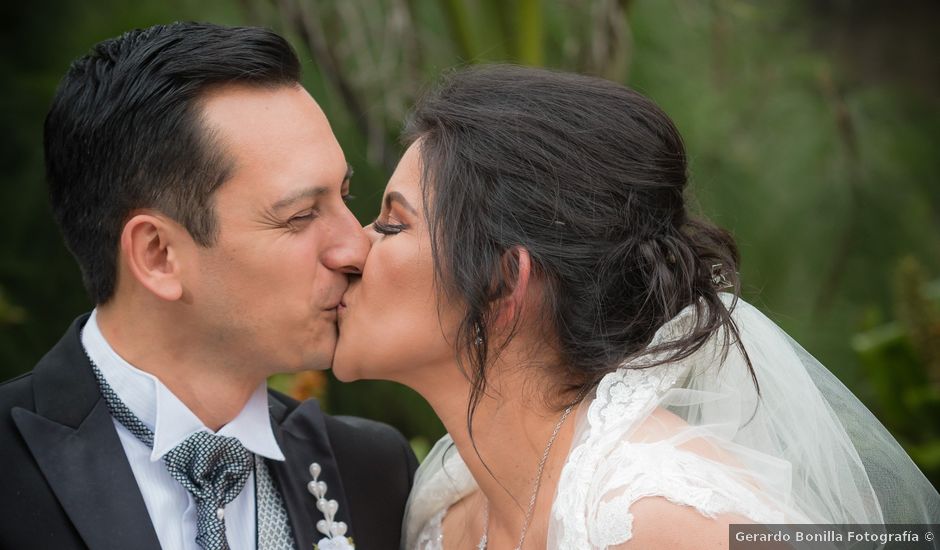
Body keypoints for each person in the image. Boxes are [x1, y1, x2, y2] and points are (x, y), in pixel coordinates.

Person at [332, 65, 940, 549]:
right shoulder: (446, 513)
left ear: (501, 282)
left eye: (392, 222)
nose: (354, 247)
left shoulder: (664, 522)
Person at [0, 22, 416, 550]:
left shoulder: (374, 473)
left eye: (344, 195)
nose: (356, 249)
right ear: (158, 255)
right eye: (301, 215)